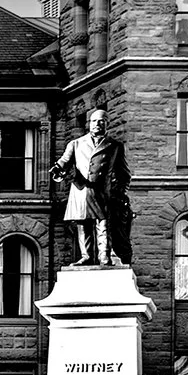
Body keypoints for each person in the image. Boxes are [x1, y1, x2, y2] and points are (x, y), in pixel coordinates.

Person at [49, 107, 132, 267]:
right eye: (94, 121)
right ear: (89, 124)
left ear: (107, 124)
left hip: (103, 192)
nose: (97, 124)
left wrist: (119, 192)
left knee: (103, 225)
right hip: (82, 190)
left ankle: (104, 257)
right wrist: (58, 168)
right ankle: (86, 256)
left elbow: (124, 174)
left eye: (101, 121)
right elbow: (64, 161)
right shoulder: (76, 144)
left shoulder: (114, 146)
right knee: (83, 225)